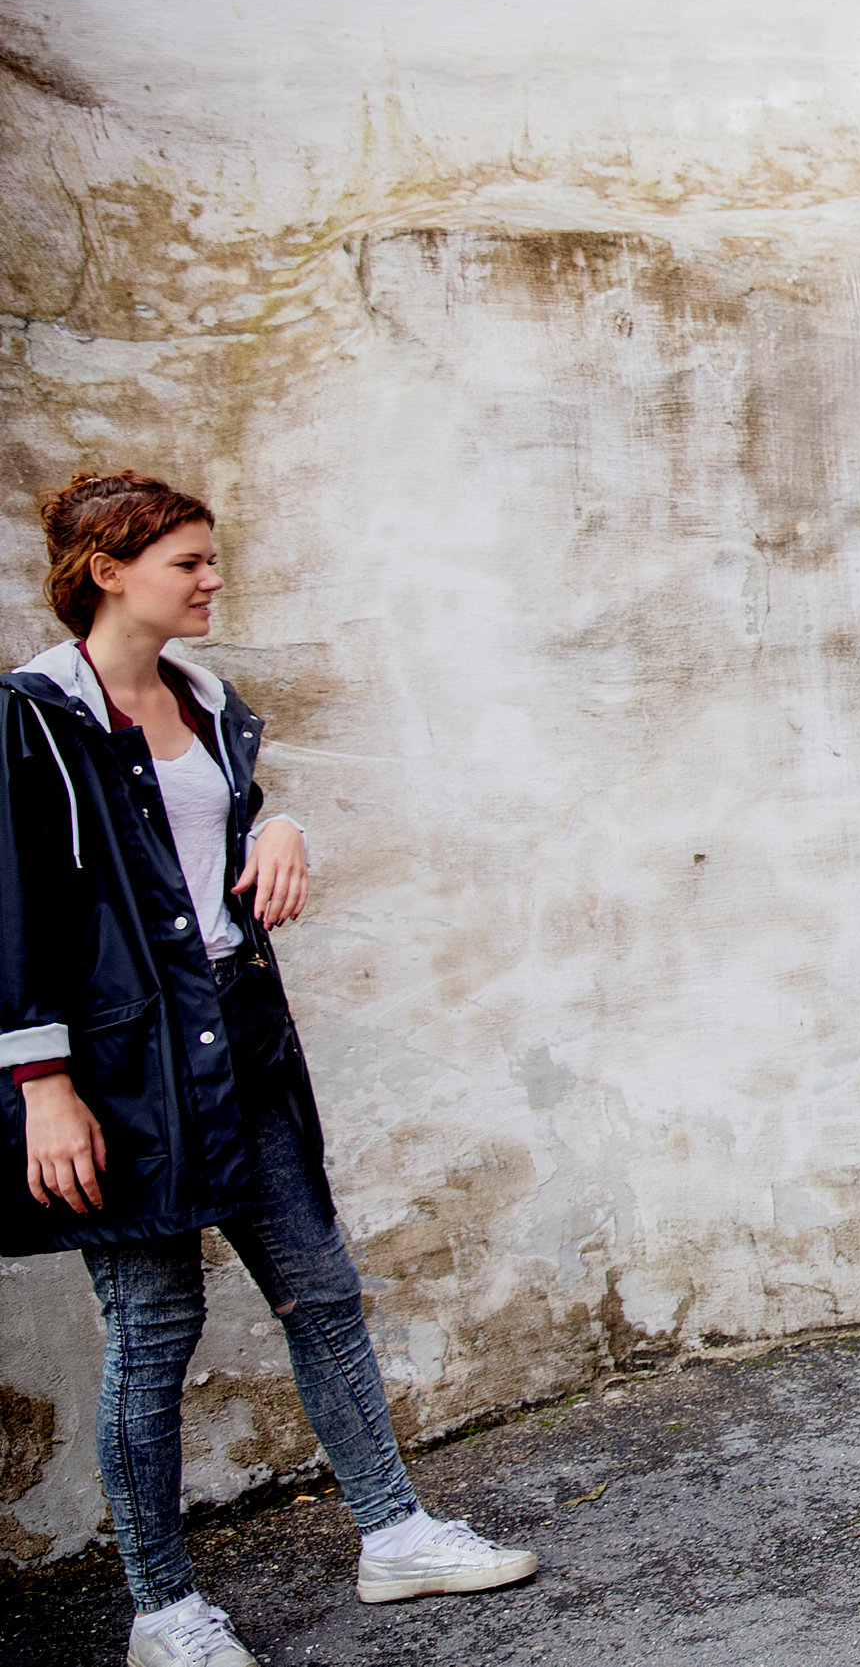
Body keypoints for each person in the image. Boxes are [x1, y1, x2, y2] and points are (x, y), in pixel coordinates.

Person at [4, 472, 534, 1667]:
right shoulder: (35, 717)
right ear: (107, 570)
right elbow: (13, 909)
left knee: (324, 1294)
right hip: (126, 1071)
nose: (211, 579)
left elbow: (220, 831)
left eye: (209, 558)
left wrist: (278, 823)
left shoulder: (206, 699)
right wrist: (46, 1088)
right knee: (153, 1325)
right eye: (188, 561)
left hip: (241, 1042)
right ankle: (161, 1609)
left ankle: (393, 1533)